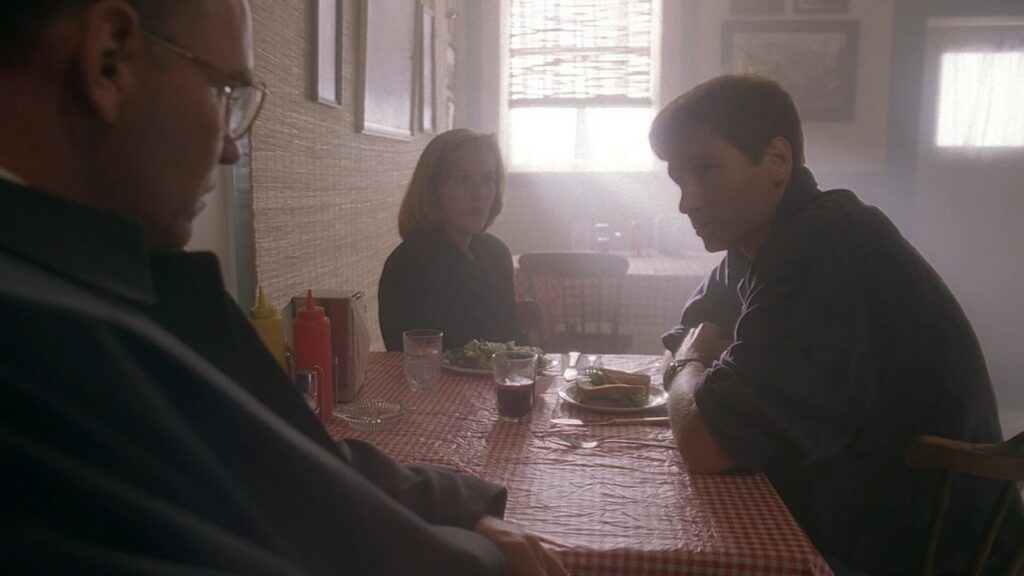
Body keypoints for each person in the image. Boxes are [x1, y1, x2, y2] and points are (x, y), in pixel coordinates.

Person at [0, 2, 566, 574]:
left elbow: (289, 457)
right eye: (225, 90)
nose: (231, 147)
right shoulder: (39, 341)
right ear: (110, 60)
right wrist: (480, 556)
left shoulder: (103, 279)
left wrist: (457, 507)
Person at [650, 75, 1021, 575]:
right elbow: (689, 330)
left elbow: (706, 444)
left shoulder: (823, 242)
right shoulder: (757, 243)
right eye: (679, 180)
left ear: (776, 161)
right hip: (847, 512)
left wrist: (691, 363)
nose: (687, 201)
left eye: (707, 170)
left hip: (919, 549)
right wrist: (693, 361)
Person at [378, 129, 520, 352]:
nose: (480, 193)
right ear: (433, 191)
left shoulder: (496, 252)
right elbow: (414, 356)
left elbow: (514, 342)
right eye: (463, 180)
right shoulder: (409, 263)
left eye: (488, 179)